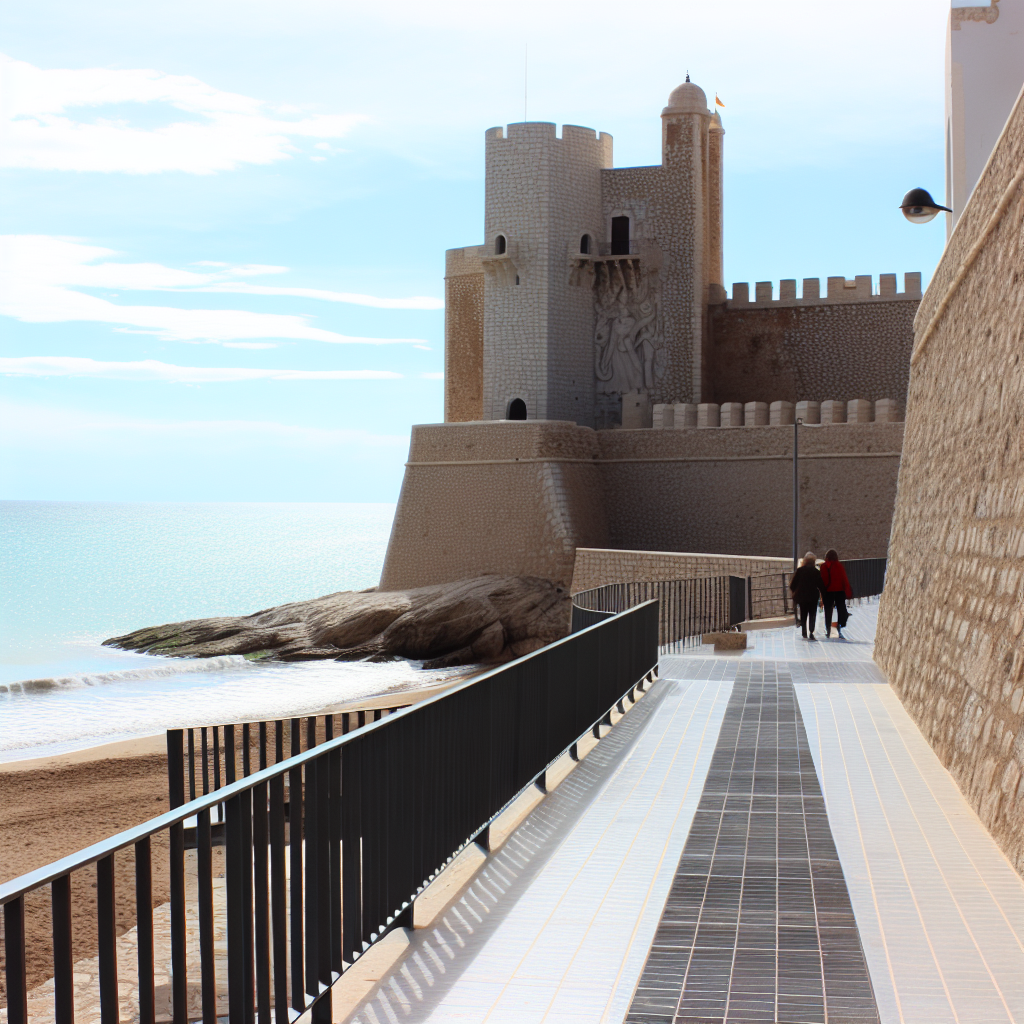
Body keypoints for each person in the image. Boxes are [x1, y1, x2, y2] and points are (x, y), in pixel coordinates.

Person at [790, 551, 824, 640]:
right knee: (812, 614)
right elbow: (821, 585)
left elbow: (792, 584)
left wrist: (794, 592)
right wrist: (822, 596)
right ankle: (811, 632)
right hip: (813, 597)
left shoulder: (800, 571)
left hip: (802, 597)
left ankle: (804, 632)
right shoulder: (816, 572)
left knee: (803, 613)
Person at [820, 549, 853, 639]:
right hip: (839, 591)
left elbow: (822, 579)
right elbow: (844, 579)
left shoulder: (823, 566)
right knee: (840, 609)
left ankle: (828, 629)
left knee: (828, 610)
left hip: (828, 592)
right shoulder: (839, 566)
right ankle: (839, 626)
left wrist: (822, 591)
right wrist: (848, 590)